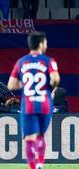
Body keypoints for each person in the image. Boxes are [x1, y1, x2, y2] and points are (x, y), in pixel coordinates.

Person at [7, 32, 60, 169]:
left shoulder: (21, 62)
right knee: (41, 135)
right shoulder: (49, 61)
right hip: (45, 104)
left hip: (29, 105)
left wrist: (25, 84)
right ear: (41, 44)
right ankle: (40, 164)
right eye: (46, 42)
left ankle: (32, 167)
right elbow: (55, 79)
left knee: (30, 138)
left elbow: (11, 85)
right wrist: (50, 88)